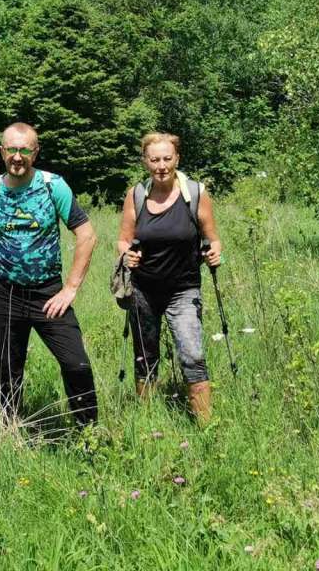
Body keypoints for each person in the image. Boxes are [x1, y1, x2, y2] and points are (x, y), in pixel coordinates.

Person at [0, 123, 99, 427]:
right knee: (7, 368)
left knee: (76, 364)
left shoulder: (52, 185)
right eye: (12, 149)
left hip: (48, 294)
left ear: (35, 151)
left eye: (25, 149)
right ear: (2, 152)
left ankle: (89, 436)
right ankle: (9, 429)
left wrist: (70, 288)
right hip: (4, 294)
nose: (18, 156)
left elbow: (87, 235)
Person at [116, 132, 222, 424]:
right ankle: (148, 424)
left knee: (192, 354)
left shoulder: (196, 193)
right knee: (145, 357)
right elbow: (123, 240)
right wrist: (127, 255)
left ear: (177, 159)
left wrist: (214, 253)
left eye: (166, 158)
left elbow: (214, 240)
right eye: (154, 159)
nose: (161, 165)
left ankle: (206, 427)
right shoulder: (136, 194)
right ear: (145, 161)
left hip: (184, 289)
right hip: (143, 289)